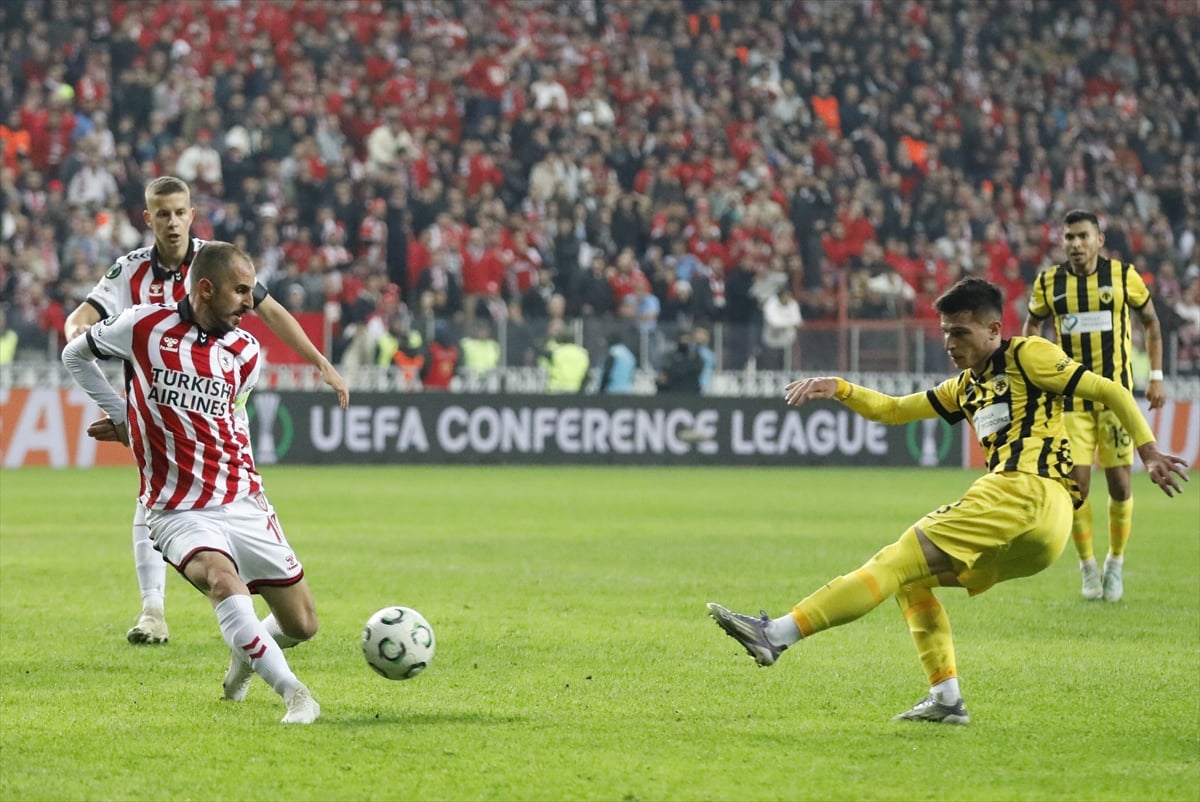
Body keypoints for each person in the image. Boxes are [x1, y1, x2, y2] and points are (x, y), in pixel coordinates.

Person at [708, 277, 1187, 725]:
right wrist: (840, 388)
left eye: (960, 332)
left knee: (894, 560)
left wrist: (1148, 452)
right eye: (944, 333)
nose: (949, 343)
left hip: (1023, 491)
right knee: (911, 581)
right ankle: (946, 697)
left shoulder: (1028, 355)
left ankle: (777, 634)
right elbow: (895, 409)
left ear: (994, 330)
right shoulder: (965, 387)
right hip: (1042, 536)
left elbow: (1108, 388)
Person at [63, 175, 349, 647]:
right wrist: (97, 362)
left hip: (211, 403)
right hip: (156, 407)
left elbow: (270, 311)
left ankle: (188, 605)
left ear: (192, 214)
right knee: (154, 496)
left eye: (180, 212)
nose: (172, 222)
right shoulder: (128, 271)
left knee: (177, 497)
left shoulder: (215, 262)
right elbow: (80, 322)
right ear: (149, 219)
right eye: (163, 214)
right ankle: (154, 610)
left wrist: (319, 362)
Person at [62, 242, 323, 724]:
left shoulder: (246, 351)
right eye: (240, 291)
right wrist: (122, 416)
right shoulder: (141, 325)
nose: (250, 302)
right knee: (223, 582)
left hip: (242, 499)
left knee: (303, 624)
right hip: (176, 508)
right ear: (205, 288)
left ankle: (245, 656)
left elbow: (233, 422)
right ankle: (295, 694)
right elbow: (74, 354)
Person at [1022, 209, 1166, 602]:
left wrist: (1156, 375)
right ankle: (1087, 565)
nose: (1075, 244)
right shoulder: (1049, 283)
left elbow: (1152, 323)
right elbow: (1032, 326)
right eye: (1069, 237)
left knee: (1120, 484)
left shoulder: (1123, 276)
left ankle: (1114, 562)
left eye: (1083, 236)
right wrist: (1037, 369)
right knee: (1076, 486)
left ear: (1099, 240)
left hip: (1115, 398)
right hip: (1070, 400)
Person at [656, 330, 705, 394]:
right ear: (677, 340)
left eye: (687, 340)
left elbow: (697, 369)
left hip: (692, 392)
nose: (684, 342)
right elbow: (665, 372)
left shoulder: (695, 357)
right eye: (682, 340)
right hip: (673, 391)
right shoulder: (671, 356)